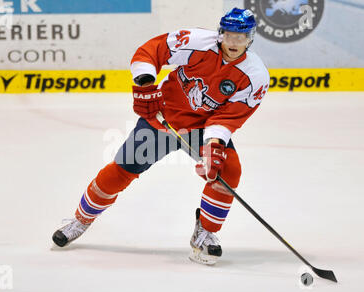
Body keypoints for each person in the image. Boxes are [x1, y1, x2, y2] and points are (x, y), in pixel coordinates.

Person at [52, 8, 270, 265]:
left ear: (250, 38)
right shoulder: (197, 41)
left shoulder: (255, 76)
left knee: (227, 171)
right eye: (229, 35)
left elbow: (228, 116)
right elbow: (151, 50)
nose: (234, 43)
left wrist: (213, 145)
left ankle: (206, 232)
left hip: (202, 128)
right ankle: (80, 220)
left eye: (241, 37)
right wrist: (144, 84)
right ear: (220, 34)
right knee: (121, 170)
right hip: (162, 120)